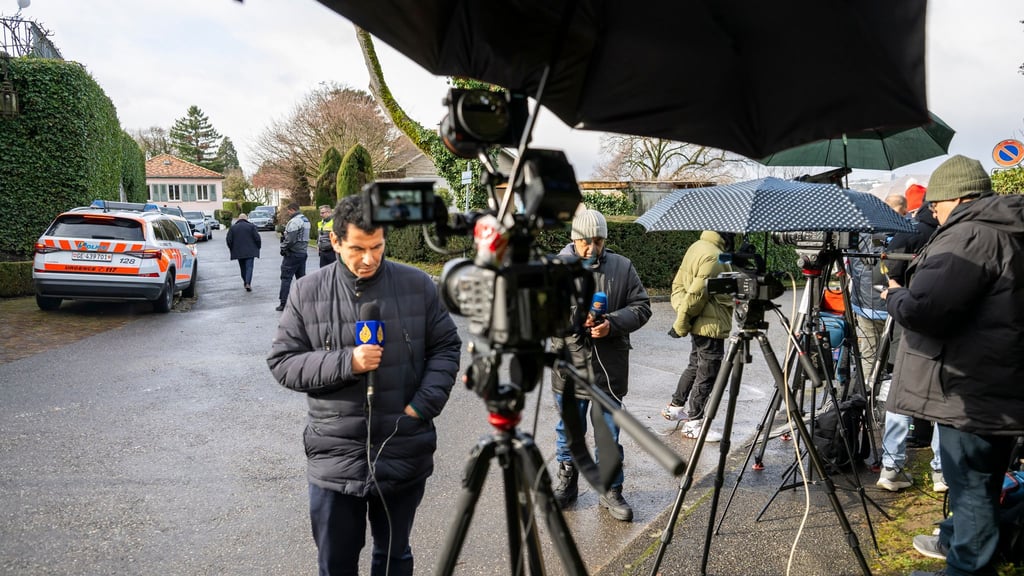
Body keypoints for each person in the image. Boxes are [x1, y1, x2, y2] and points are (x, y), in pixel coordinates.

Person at [267, 195, 461, 576]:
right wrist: (347, 361)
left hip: (403, 447)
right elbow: (283, 362)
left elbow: (446, 347)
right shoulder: (307, 292)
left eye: (377, 247)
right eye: (358, 248)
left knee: (394, 558)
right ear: (335, 242)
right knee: (336, 563)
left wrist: (423, 405)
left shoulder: (418, 285)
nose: (369, 259)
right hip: (334, 458)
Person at [882, 155, 1024, 576]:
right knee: (983, 482)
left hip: (968, 390)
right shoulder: (1005, 230)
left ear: (960, 197)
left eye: (937, 205)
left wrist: (893, 293)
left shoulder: (971, 236)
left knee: (973, 491)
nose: (933, 214)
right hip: (993, 382)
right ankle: (956, 542)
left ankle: (965, 567)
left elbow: (926, 310)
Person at [549, 209, 652, 522]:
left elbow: (642, 307)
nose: (592, 248)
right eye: (585, 242)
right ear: (574, 239)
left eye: (598, 241)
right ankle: (567, 485)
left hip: (609, 371)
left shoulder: (622, 266)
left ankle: (610, 489)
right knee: (569, 432)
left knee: (608, 433)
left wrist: (612, 323)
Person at [875, 196, 945, 492]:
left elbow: (888, 269)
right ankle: (943, 473)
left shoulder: (909, 230)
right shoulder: (953, 234)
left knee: (900, 392)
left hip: (908, 327)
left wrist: (895, 292)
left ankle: (891, 467)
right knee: (946, 397)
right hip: (947, 327)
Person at [661, 231, 734, 443]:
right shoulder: (713, 256)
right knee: (707, 371)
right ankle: (694, 423)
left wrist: (683, 313)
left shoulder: (698, 246)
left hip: (700, 322)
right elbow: (696, 294)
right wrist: (681, 323)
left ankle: (675, 407)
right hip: (710, 324)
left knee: (695, 364)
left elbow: (679, 286)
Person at [277, 202, 310, 312]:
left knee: (286, 278)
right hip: (303, 252)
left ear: (291, 210)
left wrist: (283, 248)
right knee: (301, 279)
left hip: (293, 253)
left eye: (288, 211)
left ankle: (283, 302)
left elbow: (290, 239)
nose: (287, 213)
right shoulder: (305, 220)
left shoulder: (295, 221)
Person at [225, 213, 261, 292]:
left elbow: (228, 240)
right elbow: (257, 238)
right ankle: (248, 283)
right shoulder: (251, 226)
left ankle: (245, 282)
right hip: (251, 251)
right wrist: (258, 247)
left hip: (238, 251)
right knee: (249, 267)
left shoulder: (233, 228)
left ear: (238, 219)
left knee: (243, 268)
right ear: (246, 219)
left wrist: (232, 248)